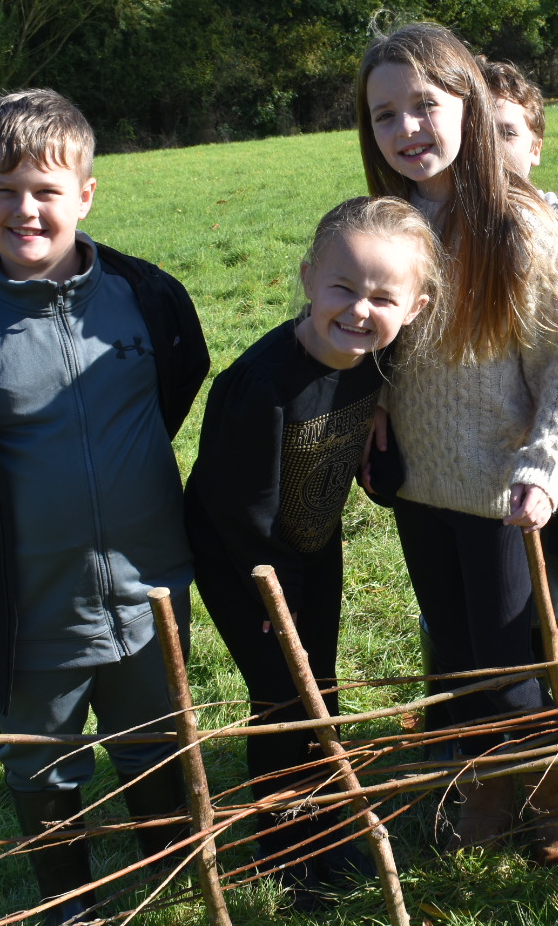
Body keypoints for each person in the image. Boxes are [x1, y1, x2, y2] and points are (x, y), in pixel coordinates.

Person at [0, 89, 209, 925]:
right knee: (42, 758)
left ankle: (169, 872)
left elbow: (179, 382)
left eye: (45, 190)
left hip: (151, 585)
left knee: (154, 739)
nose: (24, 209)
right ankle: (70, 902)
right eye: (2, 189)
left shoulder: (149, 299)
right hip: (30, 603)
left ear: (86, 194)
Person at [355, 22, 558, 864]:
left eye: (425, 106)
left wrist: (543, 466)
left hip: (501, 491)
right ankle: (491, 789)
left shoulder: (521, 229)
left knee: (515, 666)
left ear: (469, 103)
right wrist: (371, 399)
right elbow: (363, 327)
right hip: (422, 489)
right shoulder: (387, 225)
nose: (408, 130)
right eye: (386, 115)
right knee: (457, 658)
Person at [184, 196, 439, 905]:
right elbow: (241, 507)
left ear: (413, 308)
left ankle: (322, 819)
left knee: (318, 690)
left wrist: (381, 468)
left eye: (383, 297)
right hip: (246, 563)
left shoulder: (372, 363)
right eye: (343, 288)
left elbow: (365, 461)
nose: (360, 309)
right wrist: (275, 594)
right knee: (281, 698)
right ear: (307, 279)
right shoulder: (262, 385)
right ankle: (286, 852)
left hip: (310, 545)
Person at [478, 56, 558, 208]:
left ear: (535, 149)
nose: (491, 148)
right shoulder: (431, 223)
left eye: (508, 133)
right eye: (478, 134)